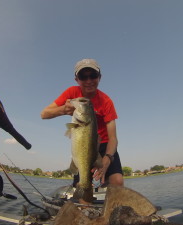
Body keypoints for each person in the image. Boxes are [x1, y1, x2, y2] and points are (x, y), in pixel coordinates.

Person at [41, 58, 124, 187]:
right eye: (83, 77)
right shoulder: (71, 92)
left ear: (99, 77)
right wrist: (63, 110)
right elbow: (44, 114)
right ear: (77, 80)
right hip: (83, 147)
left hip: (104, 145)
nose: (88, 81)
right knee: (83, 186)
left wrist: (107, 159)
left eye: (93, 75)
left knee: (117, 181)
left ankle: (106, 189)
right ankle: (84, 193)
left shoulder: (107, 101)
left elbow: (113, 138)